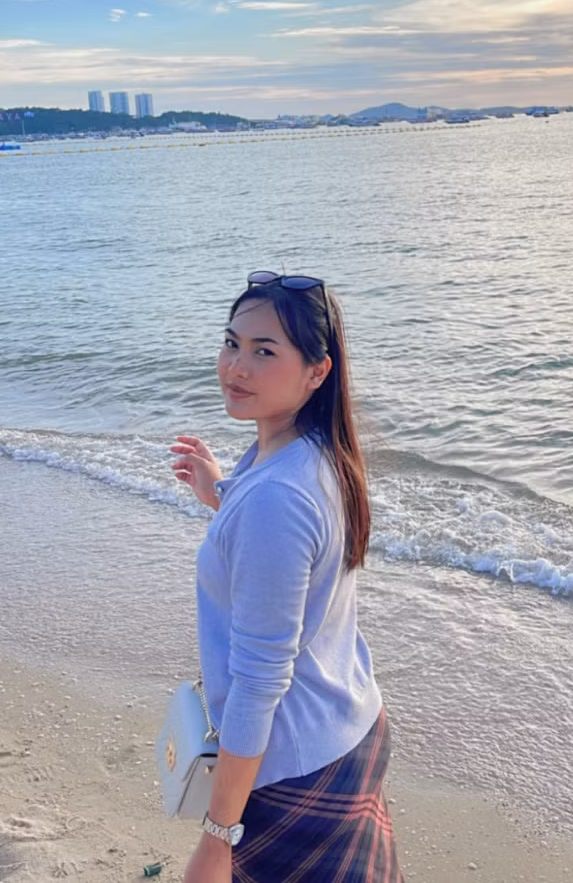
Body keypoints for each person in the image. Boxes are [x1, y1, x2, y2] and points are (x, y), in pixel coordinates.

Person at [171, 271, 404, 883]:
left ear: (317, 372)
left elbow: (258, 682)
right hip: (346, 724)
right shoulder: (314, 452)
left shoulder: (276, 496)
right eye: (232, 343)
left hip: (293, 768)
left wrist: (218, 835)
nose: (236, 367)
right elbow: (293, 559)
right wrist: (225, 494)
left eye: (264, 351)